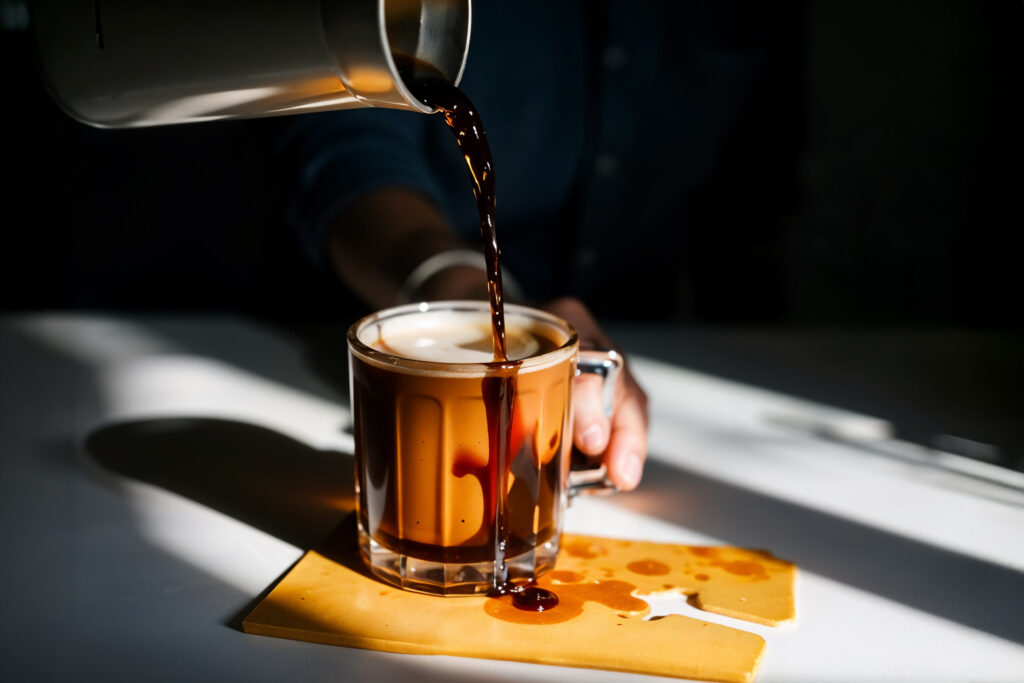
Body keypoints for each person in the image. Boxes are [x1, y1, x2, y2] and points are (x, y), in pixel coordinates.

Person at [279, 1, 789, 490]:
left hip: (669, 358)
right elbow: (346, 150)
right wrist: (466, 299)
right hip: (341, 351)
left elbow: (761, 184)